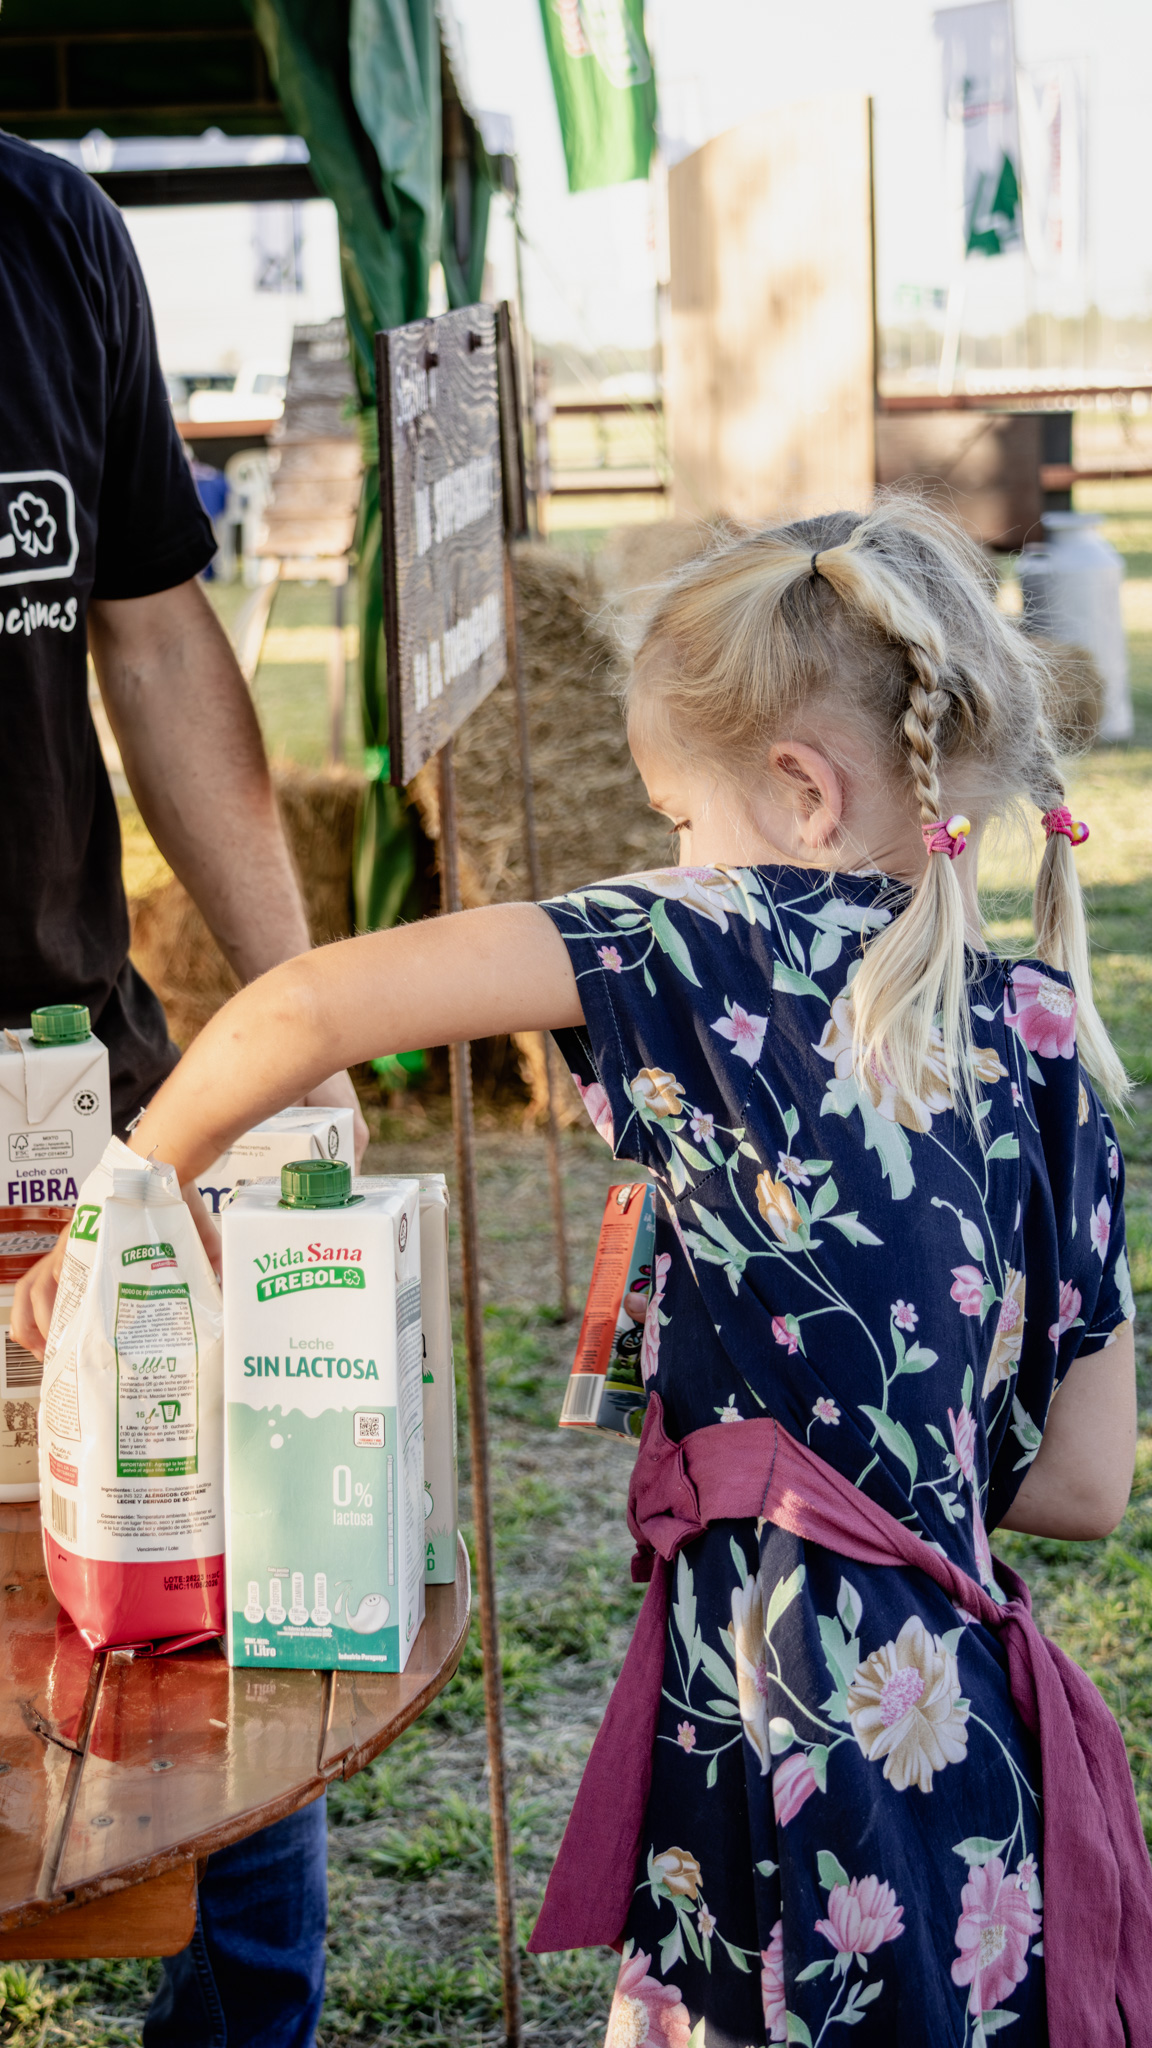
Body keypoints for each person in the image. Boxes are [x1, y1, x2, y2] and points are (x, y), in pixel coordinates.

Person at [46, 499, 1143, 2044]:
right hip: (957, 1739)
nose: (672, 856)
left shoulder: (705, 940)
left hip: (777, 1705)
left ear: (804, 791)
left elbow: (304, 1010)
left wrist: (128, 1189)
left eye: (675, 819)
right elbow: (1087, 1483)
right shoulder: (1047, 1032)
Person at [1, 130, 366, 2047]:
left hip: (74, 1079)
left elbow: (149, 632)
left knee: (211, 1601)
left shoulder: (46, 225)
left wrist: (297, 1014)